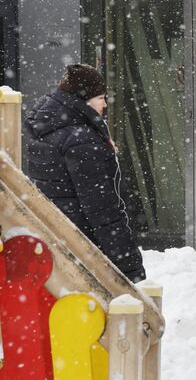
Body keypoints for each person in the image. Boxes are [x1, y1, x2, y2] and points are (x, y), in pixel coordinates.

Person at [24, 63, 146, 283]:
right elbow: (103, 210)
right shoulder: (80, 140)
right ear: (83, 100)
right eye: (101, 97)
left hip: (61, 245)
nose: (105, 104)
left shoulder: (47, 129)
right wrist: (130, 266)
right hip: (87, 250)